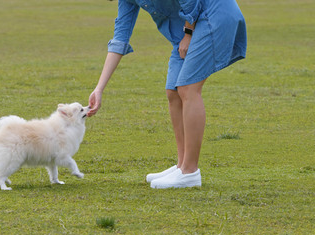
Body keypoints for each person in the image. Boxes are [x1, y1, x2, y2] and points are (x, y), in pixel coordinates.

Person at [87, 0, 247, 189]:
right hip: (185, 34)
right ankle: (181, 166)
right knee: (173, 92)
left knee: (188, 88)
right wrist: (99, 89)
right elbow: (120, 38)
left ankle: (190, 172)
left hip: (213, 17)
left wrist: (188, 33)